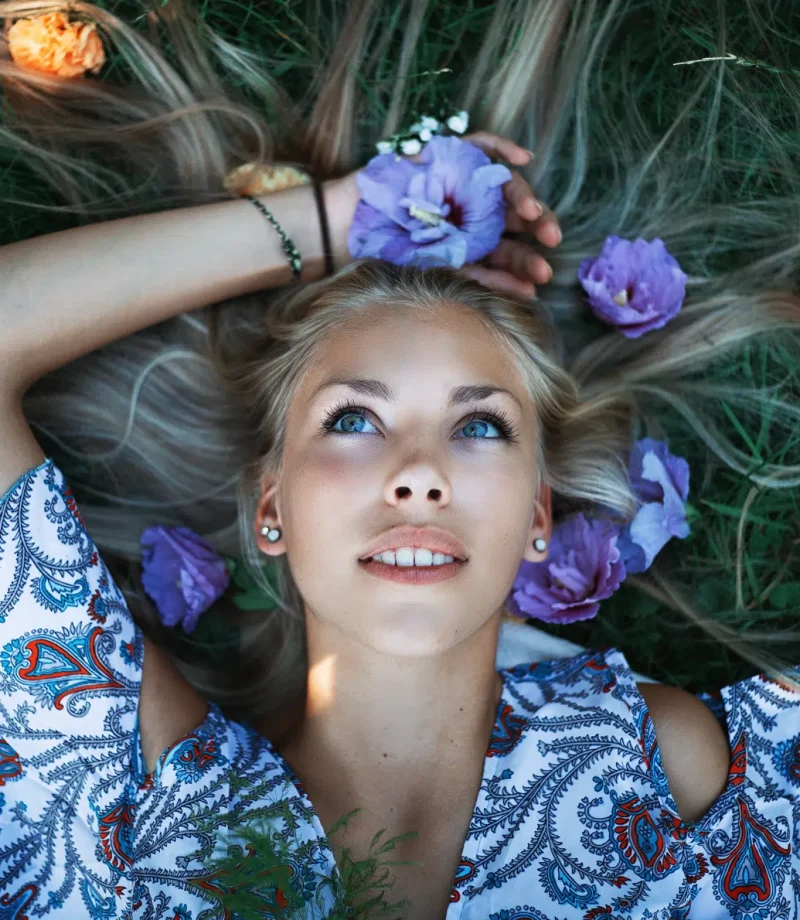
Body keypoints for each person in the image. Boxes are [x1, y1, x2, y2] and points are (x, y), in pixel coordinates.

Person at [0, 1, 798, 918]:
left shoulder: (661, 765)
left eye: (480, 426)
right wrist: (338, 220)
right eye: (351, 421)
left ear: (539, 517)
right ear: (272, 508)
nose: (418, 472)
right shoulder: (131, 796)